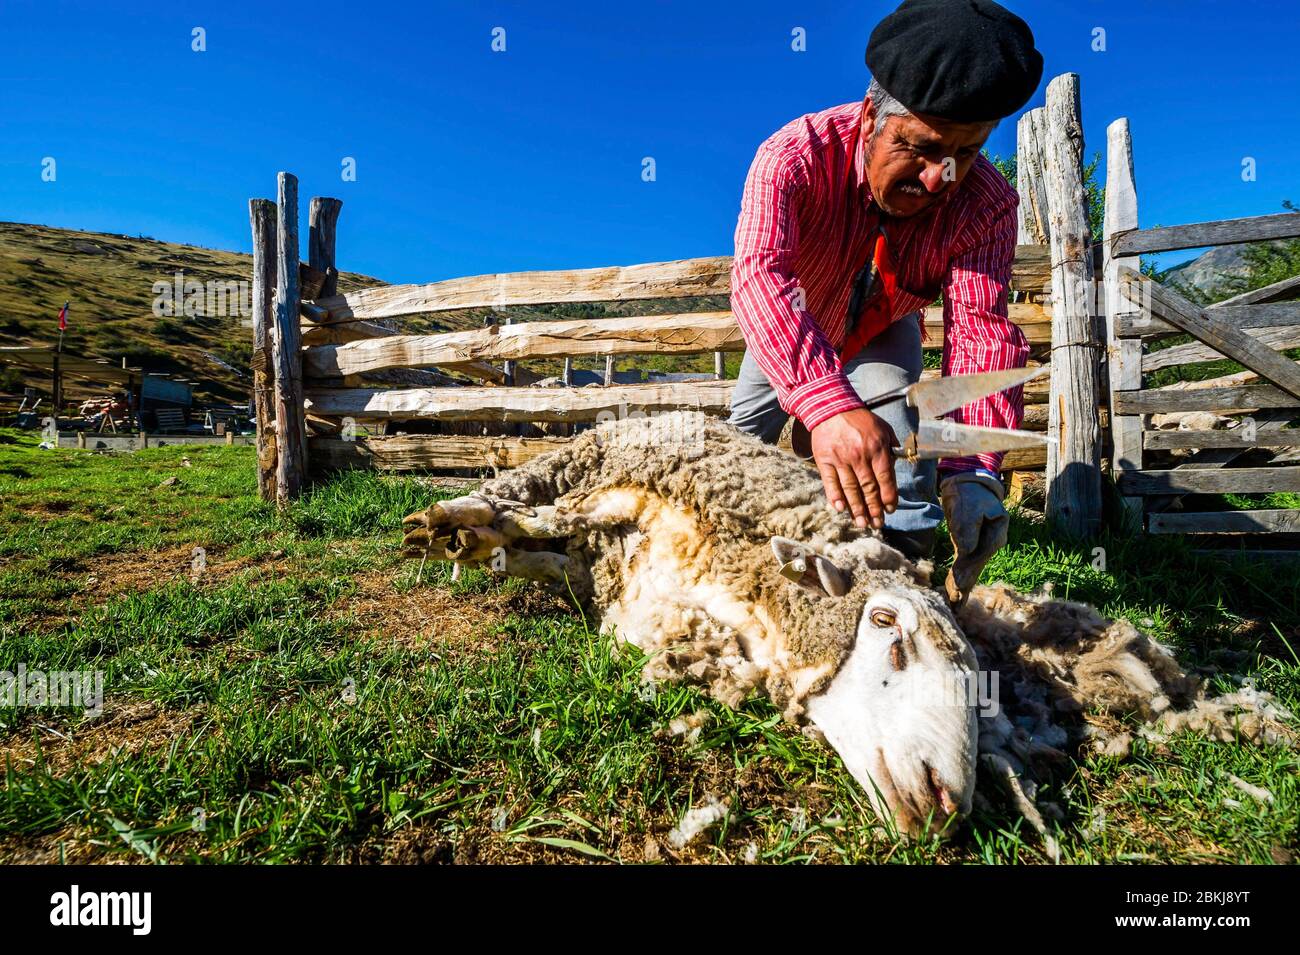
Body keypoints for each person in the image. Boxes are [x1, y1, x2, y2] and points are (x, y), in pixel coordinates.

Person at [727, 0, 1042, 595]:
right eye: (919, 146)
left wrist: (973, 472)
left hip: (884, 323)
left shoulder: (986, 205)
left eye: (964, 153)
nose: (936, 179)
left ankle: (895, 583)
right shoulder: (792, 158)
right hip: (795, 321)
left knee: (896, 438)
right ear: (872, 115)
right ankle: (718, 547)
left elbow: (979, 331)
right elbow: (763, 275)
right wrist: (826, 405)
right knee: (741, 433)